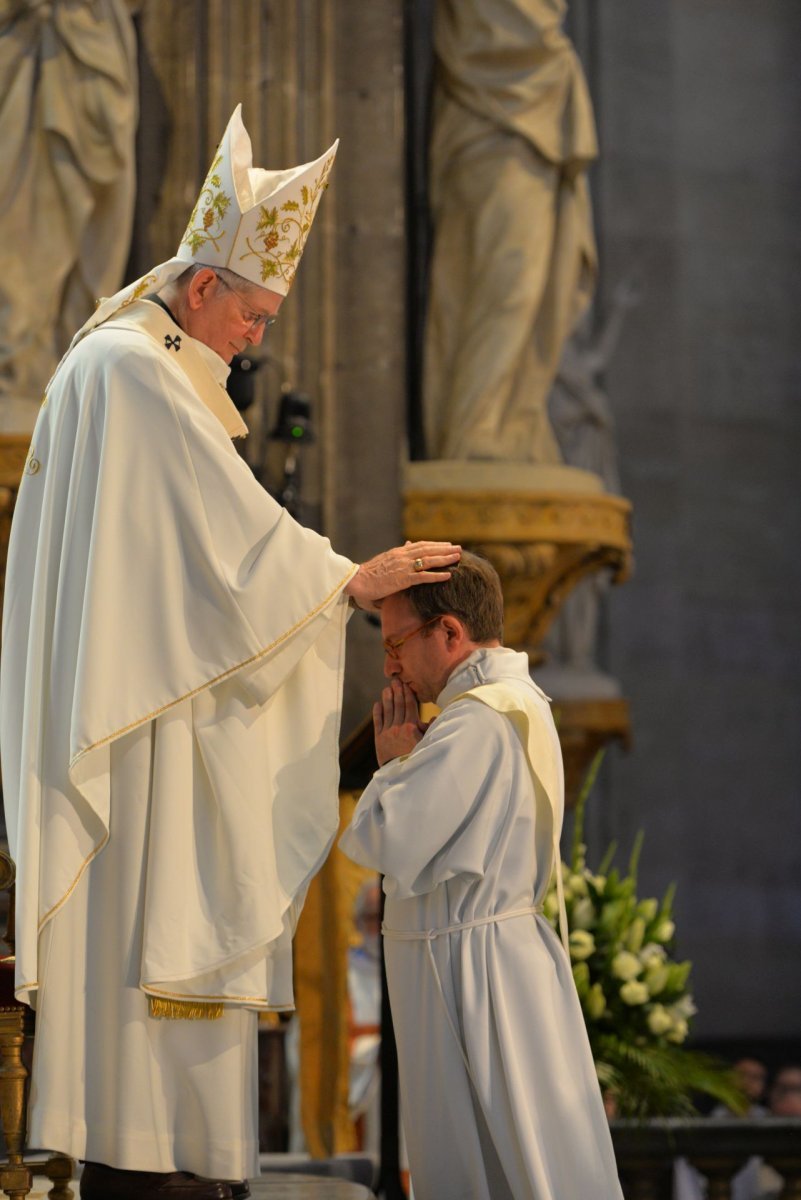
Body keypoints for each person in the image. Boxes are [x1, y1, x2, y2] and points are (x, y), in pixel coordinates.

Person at [0, 105, 459, 1200]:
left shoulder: (133, 371)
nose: (257, 336)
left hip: (150, 699)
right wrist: (351, 578)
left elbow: (209, 552)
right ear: (203, 286)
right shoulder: (135, 376)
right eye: (251, 312)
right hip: (142, 727)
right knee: (149, 1126)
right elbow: (227, 550)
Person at [339, 552, 623, 1200]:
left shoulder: (477, 721)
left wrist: (392, 766)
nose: (390, 666)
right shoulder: (510, 704)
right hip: (482, 959)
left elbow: (388, 840)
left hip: (471, 973)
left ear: (449, 632)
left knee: (497, 1165)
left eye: (397, 644)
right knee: (515, 1160)